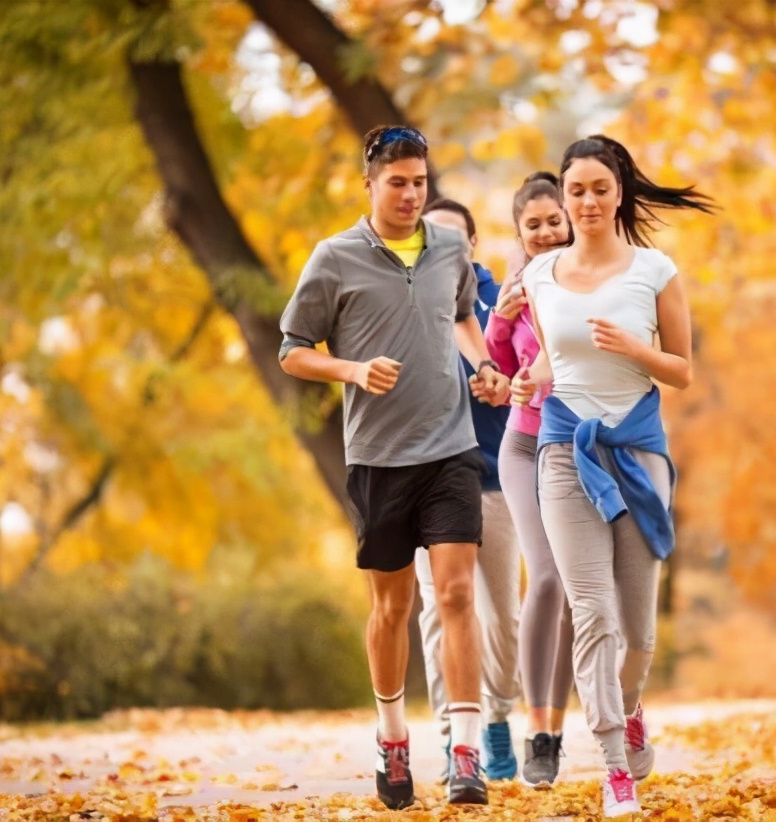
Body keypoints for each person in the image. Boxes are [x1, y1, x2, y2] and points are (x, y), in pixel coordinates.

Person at [278, 125, 510, 811]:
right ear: (370, 184)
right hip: (378, 458)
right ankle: (392, 739)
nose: (411, 195)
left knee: (459, 594)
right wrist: (350, 369)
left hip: (450, 450)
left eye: (420, 182)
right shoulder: (334, 258)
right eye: (398, 183)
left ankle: (464, 753)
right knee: (393, 607)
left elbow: (465, 318)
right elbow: (292, 350)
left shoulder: (448, 250)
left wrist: (488, 368)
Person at [511, 135, 714, 817]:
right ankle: (613, 763)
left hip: (637, 453)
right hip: (565, 450)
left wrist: (636, 347)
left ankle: (627, 708)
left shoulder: (654, 272)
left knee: (638, 632)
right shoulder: (540, 277)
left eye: (600, 188)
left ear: (619, 191)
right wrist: (524, 379)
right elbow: (554, 363)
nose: (588, 201)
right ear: (563, 199)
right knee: (591, 612)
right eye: (576, 191)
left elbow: (683, 370)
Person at [412, 197, 521, 783]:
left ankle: (499, 716)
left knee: (503, 617)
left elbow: (529, 369)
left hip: (497, 478)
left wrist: (502, 382)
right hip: (428, 477)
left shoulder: (503, 301)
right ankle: (458, 735)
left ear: (473, 246)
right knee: (440, 611)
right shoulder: (410, 299)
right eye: (434, 238)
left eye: (456, 238)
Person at [484, 172, 576, 786]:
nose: (545, 232)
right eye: (533, 224)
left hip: (577, 443)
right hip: (522, 442)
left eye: (553, 221)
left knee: (573, 588)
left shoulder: (592, 274)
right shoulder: (515, 282)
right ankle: (536, 733)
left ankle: (556, 729)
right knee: (543, 575)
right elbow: (501, 361)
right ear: (520, 231)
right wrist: (501, 314)